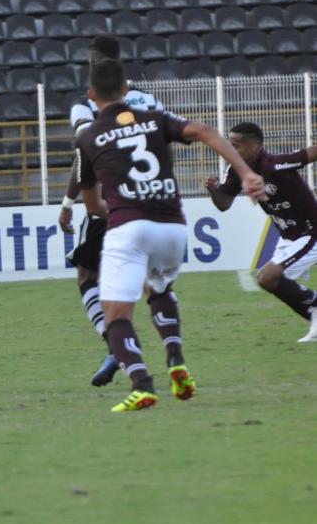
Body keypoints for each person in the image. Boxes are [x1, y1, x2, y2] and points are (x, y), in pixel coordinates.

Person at [75, 59, 265, 412]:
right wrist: (245, 173)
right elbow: (205, 131)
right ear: (127, 91)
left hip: (129, 226)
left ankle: (141, 383)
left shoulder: (88, 136)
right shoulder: (153, 119)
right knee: (160, 288)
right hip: (173, 227)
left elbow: (91, 202)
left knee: (116, 313)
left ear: (91, 96)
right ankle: (176, 360)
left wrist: (121, 207)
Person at [58, 35, 167, 388]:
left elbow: (85, 155)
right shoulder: (148, 99)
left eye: (91, 61)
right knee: (150, 281)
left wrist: (67, 202)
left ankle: (117, 347)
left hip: (107, 202)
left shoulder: (85, 105)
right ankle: (174, 357)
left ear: (95, 64)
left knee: (88, 275)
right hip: (151, 197)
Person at [206, 122, 317, 343]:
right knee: (269, 281)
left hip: (311, 232)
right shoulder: (236, 171)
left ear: (254, 145)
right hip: (288, 237)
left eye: (236, 145)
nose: (231, 149)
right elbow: (224, 203)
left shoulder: (274, 165)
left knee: (267, 276)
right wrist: (213, 190)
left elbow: (309, 153)